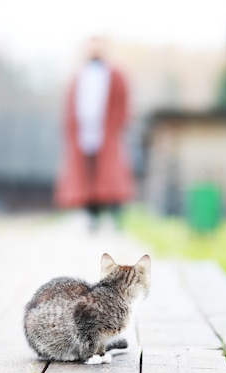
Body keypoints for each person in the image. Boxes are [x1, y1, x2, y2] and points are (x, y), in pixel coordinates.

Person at [54, 37, 135, 231]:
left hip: (107, 131)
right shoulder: (79, 76)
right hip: (84, 132)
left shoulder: (114, 74)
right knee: (88, 177)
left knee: (111, 176)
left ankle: (116, 218)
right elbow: (70, 105)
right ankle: (92, 217)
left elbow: (123, 101)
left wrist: (117, 124)